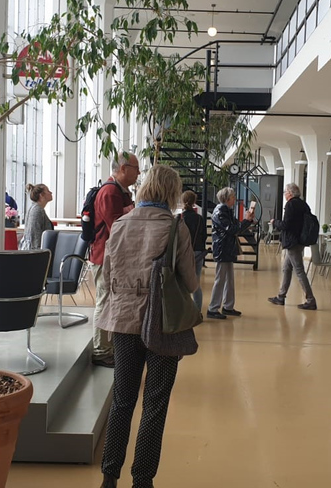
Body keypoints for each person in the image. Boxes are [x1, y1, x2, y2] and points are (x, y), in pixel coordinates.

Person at [97, 164, 198, 488]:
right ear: (171, 191)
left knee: (122, 400)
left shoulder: (122, 224)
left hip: (124, 320)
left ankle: (109, 476)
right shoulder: (174, 228)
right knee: (155, 403)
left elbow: (108, 275)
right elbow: (191, 283)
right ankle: (142, 479)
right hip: (162, 325)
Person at [89, 152, 139, 368]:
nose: (138, 173)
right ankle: (100, 350)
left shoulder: (121, 192)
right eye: (135, 168)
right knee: (104, 300)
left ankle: (108, 346)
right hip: (104, 257)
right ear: (123, 168)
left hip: (113, 258)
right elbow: (117, 228)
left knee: (110, 300)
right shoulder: (110, 192)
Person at [267, 183, 317, 310]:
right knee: (286, 268)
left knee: (299, 271)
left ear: (290, 193)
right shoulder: (303, 204)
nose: (284, 194)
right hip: (300, 240)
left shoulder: (290, 205)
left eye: (285, 192)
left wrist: (275, 222)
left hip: (292, 242)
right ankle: (281, 296)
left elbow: (286, 225)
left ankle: (310, 299)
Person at [207, 187, 254, 318]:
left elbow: (235, 226)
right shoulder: (221, 211)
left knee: (228, 279)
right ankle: (213, 308)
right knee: (220, 279)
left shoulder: (225, 210)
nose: (234, 199)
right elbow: (232, 229)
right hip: (223, 248)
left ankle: (228, 306)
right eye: (233, 197)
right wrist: (246, 221)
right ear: (227, 199)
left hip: (226, 248)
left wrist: (247, 220)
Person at [180, 190, 208, 311]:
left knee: (182, 282)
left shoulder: (180, 218)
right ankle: (197, 311)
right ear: (194, 202)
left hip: (184, 253)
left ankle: (185, 311)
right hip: (198, 253)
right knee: (195, 283)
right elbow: (205, 235)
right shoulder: (200, 219)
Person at [19, 183, 54, 250]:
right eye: (48, 191)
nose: (51, 192)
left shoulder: (35, 208)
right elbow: (34, 235)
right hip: (34, 253)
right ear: (41, 195)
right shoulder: (37, 210)